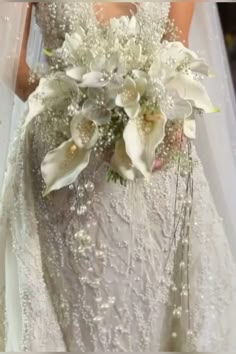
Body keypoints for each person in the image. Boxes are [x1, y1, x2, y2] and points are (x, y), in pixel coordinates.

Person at [1, 2, 236, 351]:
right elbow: (8, 59)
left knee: (154, 314)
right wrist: (73, 107)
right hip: (65, 165)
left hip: (155, 167)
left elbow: (178, 49)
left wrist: (162, 119)